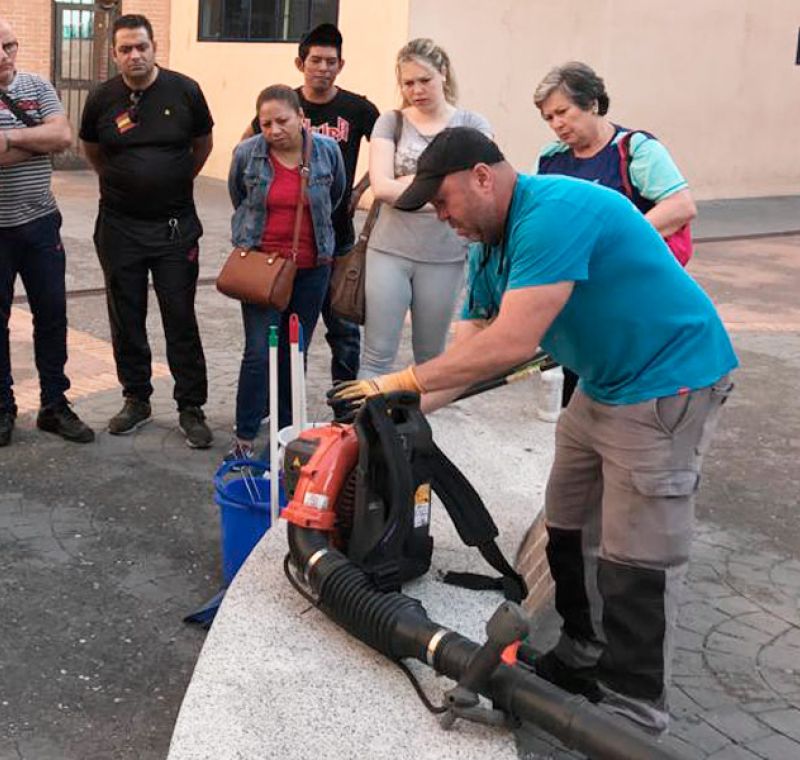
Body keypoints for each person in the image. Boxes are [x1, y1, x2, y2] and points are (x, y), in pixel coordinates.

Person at [329, 127, 738, 735]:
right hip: (603, 382)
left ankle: (632, 717)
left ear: (481, 177)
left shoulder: (554, 211)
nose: (443, 219)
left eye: (443, 202)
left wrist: (400, 381)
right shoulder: (487, 245)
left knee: (637, 557)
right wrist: (387, 422)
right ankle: (579, 654)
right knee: (565, 519)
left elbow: (512, 344)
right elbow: (467, 356)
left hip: (667, 385)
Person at [79, 14, 214, 448]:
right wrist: (129, 184)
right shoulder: (102, 99)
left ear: (154, 47)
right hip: (119, 228)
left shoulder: (186, 90)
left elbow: (202, 146)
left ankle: (191, 407)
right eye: (125, 49)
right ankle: (136, 399)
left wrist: (169, 182)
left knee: (180, 317)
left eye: (141, 47)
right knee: (126, 316)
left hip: (174, 229)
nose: (135, 55)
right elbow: (93, 152)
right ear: (115, 53)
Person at [533, 62, 697, 407]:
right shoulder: (552, 160)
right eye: (549, 118)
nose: (557, 124)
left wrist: (614, 241)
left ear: (592, 103)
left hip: (634, 301)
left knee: (630, 399)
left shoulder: (635, 149)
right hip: (581, 301)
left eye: (563, 112)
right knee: (579, 398)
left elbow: (681, 206)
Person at [240, 23, 379, 383]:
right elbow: (245, 154)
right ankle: (285, 408)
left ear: (341, 64)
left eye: (330, 61)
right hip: (282, 246)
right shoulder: (283, 107)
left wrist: (359, 188)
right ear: (300, 63)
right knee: (287, 336)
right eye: (315, 60)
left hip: (339, 237)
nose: (323, 68)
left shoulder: (358, 108)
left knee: (345, 328)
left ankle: (345, 406)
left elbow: (385, 151)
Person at [359, 38, 491, 378]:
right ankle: (366, 428)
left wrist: (410, 185)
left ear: (443, 74)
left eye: (424, 80)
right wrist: (443, 184)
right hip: (389, 250)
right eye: (408, 82)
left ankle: (425, 428)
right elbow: (383, 187)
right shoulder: (390, 122)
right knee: (376, 355)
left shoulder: (473, 125)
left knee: (431, 358)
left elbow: (476, 189)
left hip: (445, 256)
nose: (416, 89)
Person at [228, 85, 345, 460]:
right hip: (262, 270)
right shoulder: (248, 153)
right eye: (266, 123)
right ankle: (245, 436)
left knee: (296, 352)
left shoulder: (327, 150)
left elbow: (335, 196)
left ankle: (285, 436)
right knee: (259, 353)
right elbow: (238, 197)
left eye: (283, 120)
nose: (275, 130)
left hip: (312, 270)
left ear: (301, 118)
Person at [0, 17, 94, 447]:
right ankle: (3, 407)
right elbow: (50, 140)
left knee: (52, 315)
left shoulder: (37, 86)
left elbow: (64, 135)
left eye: (10, 46)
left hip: (40, 223)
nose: (5, 55)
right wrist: (38, 142)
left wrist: (10, 138)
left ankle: (54, 405)